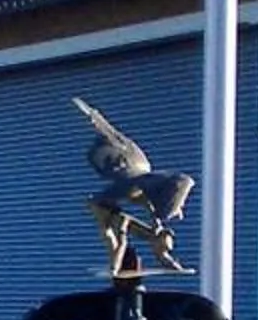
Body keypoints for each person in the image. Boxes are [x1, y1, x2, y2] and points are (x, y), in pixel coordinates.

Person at [72, 97, 193, 275]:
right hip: (102, 205)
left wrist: (174, 265)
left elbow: (153, 215)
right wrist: (96, 118)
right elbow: (112, 135)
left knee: (125, 231)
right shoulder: (132, 186)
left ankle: (118, 265)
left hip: (117, 202)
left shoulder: (141, 191)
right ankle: (115, 267)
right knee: (115, 236)